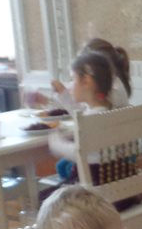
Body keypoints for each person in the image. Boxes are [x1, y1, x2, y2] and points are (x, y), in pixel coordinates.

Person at [47, 50, 116, 185]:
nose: (70, 85)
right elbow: (79, 112)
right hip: (115, 183)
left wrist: (55, 142)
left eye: (73, 79)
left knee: (45, 196)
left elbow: (78, 152)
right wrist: (63, 95)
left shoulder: (91, 118)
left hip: (92, 189)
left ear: (86, 81)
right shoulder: (107, 111)